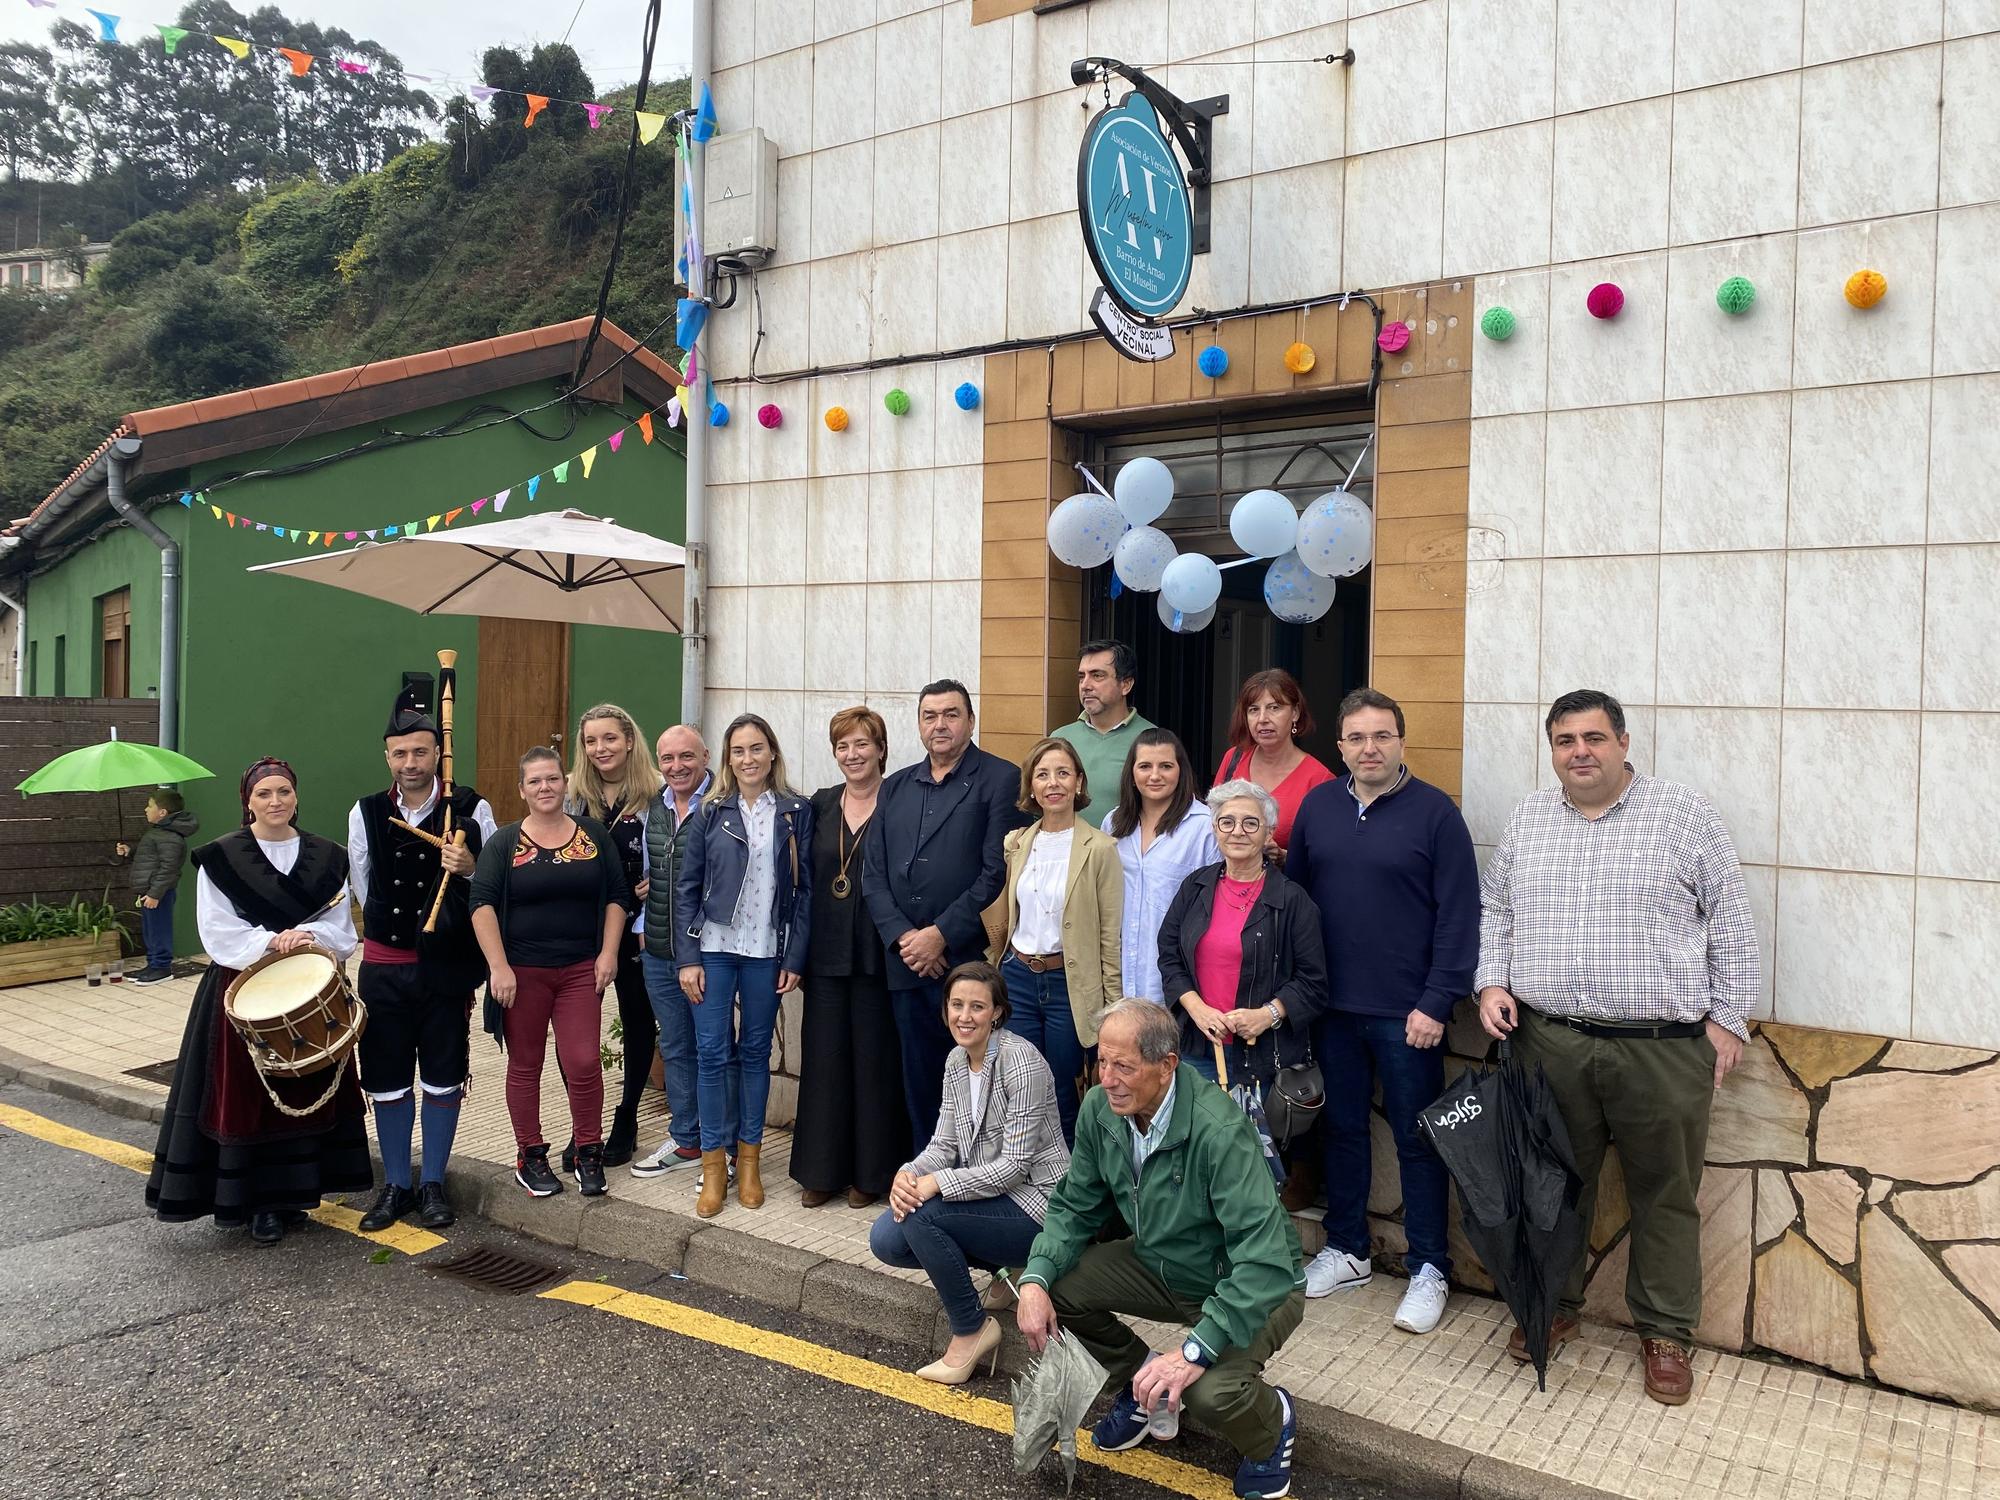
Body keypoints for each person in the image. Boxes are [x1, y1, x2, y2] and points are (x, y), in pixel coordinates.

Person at [1478, 689, 1759, 1406]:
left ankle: (1665, 1332)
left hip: (1660, 1049)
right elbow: (1497, 908)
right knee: (1552, 1185)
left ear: (1624, 743)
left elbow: (1730, 914)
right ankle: (1554, 1305)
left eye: (1595, 738)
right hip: (1552, 1040)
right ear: (1552, 750)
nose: (1581, 752)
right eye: (1566, 740)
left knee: (1665, 1192)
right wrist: (1490, 982)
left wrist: (1728, 1017)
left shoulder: (1684, 816)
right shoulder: (1529, 818)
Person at [1016, 1001, 1304, 1500]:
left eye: (1123, 1066)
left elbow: (1264, 1260)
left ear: (1168, 1064)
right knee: (1057, 1289)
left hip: (1255, 1285)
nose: (1107, 1079)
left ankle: (1272, 1421)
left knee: (1209, 1391)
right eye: (1102, 1062)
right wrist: (1035, 1279)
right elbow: (1074, 1206)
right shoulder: (1100, 1109)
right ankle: (1143, 1383)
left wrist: (1196, 1350)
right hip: (1161, 1265)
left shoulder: (1219, 1130)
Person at [1287, 688, 1479, 1335]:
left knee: (1417, 1140)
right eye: (1357, 738)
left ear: (1400, 741)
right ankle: (1347, 1249)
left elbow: (1459, 916)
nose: (1370, 748)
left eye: (1382, 736)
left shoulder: (1435, 815)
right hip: (1332, 1009)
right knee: (1341, 1130)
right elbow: (1301, 906)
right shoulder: (1318, 808)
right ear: (1339, 747)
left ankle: (1430, 1266)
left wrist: (1436, 1000)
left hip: (1408, 1016)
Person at [145, 758, 369, 1247]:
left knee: (305, 1085)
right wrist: (271, 942)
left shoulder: (326, 856)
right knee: (248, 1096)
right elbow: (218, 930)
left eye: (284, 792)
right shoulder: (221, 857)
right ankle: (258, 1203)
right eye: (264, 793)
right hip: (243, 990)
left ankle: (298, 1194)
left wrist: (307, 935)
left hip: (307, 988)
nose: (275, 802)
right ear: (247, 800)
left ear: (296, 797)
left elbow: (342, 929)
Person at [869, 961, 1069, 1384]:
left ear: (997, 1012)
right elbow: (944, 1145)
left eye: (977, 1006)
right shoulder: (957, 1061)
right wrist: (907, 1174)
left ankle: (972, 1327)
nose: (964, 1016)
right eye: (956, 1005)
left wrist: (937, 1183)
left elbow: (1015, 1168)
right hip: (993, 1196)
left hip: (1039, 1204)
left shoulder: (1021, 1062)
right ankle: (1006, 1266)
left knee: (925, 1216)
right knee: (886, 1239)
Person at [345, 683, 498, 1232]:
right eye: (399, 753)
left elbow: (491, 884)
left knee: (441, 1075)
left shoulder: (473, 808)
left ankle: (433, 1181)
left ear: (438, 754)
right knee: (386, 1077)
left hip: (446, 965)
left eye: (420, 752)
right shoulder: (363, 813)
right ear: (387, 757)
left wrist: (469, 864)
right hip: (386, 964)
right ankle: (396, 1186)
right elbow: (364, 888)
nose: (410, 763)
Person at [864, 679, 1031, 1143]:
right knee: (918, 1077)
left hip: (968, 960)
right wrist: (906, 938)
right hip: (907, 962)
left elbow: (996, 872)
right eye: (930, 715)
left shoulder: (1001, 779)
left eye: (951, 714)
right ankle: (926, 1176)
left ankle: (974, 1177)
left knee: (978, 1080)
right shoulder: (895, 786)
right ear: (919, 723)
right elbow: (873, 875)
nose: (940, 725)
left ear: (971, 721)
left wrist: (941, 934)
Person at [469, 747, 631, 1199]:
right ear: (521, 790)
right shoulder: (504, 843)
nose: (545, 787)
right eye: (535, 781)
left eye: (553, 779)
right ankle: (530, 1154)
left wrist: (608, 954)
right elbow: (480, 904)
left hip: (581, 969)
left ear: (566, 783)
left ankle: (587, 1149)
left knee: (582, 1062)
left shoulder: (593, 835)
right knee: (526, 1064)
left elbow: (618, 895)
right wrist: (498, 968)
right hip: (523, 974)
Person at [675, 713, 814, 1218]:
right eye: (738, 751)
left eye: (757, 748)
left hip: (765, 950)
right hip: (713, 947)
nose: (748, 758)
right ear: (728, 759)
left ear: (772, 753)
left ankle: (750, 1162)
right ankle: (715, 1166)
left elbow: (805, 892)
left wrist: (794, 956)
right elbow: (686, 887)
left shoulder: (795, 812)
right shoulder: (712, 811)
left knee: (755, 1053)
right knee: (712, 1054)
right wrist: (688, 958)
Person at [792, 706, 908, 1209]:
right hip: (825, 951)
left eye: (862, 744)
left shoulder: (902, 802)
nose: (852, 754)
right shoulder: (818, 805)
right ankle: (823, 1171)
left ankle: (870, 1175)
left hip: (881, 954)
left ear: (881, 749)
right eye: (843, 746)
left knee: (874, 1062)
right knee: (824, 1061)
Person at [1158, 781, 1327, 1098]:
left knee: (1252, 1147)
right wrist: (1197, 1009)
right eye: (1227, 821)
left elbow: (1313, 982)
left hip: (1263, 1056)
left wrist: (1267, 1015)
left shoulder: (1293, 900)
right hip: (1199, 1048)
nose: (1238, 831)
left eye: (1251, 822)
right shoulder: (1195, 887)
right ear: (1215, 829)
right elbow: (1169, 956)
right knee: (1199, 1144)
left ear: (1268, 833)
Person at [993, 736, 1123, 1145]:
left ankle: (1067, 1186)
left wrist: (1112, 1010)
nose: (1054, 783)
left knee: (1065, 1089)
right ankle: (1024, 1175)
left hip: (1068, 984)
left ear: (1080, 783)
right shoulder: (1016, 844)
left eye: (1063, 773)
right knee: (1022, 1087)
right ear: (1031, 786)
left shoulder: (1100, 849)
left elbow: (1108, 936)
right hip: (1017, 978)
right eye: (1043, 774)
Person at [565, 703, 663, 1169]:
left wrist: (656, 878)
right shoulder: (572, 798)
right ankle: (582, 1124)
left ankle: (626, 1117)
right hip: (580, 929)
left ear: (628, 740)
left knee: (638, 1021)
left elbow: (676, 851)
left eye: (609, 738)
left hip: (638, 929)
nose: (600, 749)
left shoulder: (656, 795)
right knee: (574, 1029)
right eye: (590, 741)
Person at [631, 724, 726, 1178]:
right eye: (667, 759)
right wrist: (641, 924)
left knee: (714, 1049)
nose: (676, 767)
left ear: (705, 755)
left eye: (686, 756)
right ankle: (687, 1139)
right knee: (674, 1046)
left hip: (708, 953)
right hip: (658, 950)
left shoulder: (723, 805)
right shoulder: (654, 806)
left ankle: (721, 1146)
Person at [1106, 727, 1219, 1007]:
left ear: (1181, 772)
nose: (1155, 775)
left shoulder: (1205, 826)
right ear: (1132, 774)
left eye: (1166, 766)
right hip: (1119, 979)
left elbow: (1216, 906)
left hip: (1177, 984)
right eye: (1145, 766)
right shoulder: (1113, 824)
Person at [1210, 669, 1337, 851]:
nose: (1262, 719)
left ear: (1295, 713)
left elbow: (1324, 854)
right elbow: (1212, 822)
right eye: (1254, 710)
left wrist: (1284, 858)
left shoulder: (1320, 779)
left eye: (1274, 708)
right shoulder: (1233, 758)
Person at [1050, 639, 1153, 831]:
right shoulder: (1059, 739)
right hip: (1066, 855)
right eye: (1081, 677)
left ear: (1126, 685)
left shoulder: (1151, 740)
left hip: (1125, 857)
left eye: (1097, 676)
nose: (1085, 685)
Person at [117, 788, 198, 985]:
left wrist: (155, 894)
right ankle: (152, 964)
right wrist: (129, 851)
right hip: (150, 891)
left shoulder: (170, 836)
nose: (146, 809)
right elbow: (151, 859)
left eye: (150, 805)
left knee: (159, 929)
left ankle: (162, 968)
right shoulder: (159, 832)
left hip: (158, 892)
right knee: (151, 929)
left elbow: (169, 868)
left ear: (162, 813)